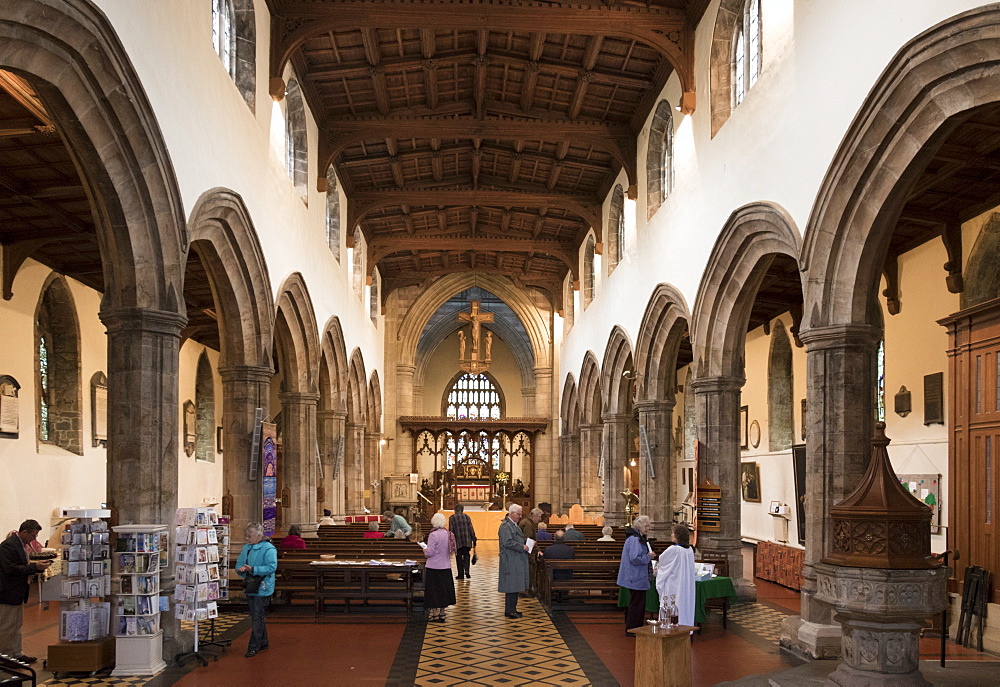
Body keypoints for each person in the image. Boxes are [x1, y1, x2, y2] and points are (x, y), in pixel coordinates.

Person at [0, 520, 52, 663]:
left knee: (17, 624)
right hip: (7, 593)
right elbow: (10, 569)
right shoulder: (7, 547)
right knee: (6, 626)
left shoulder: (21, 545)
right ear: (24, 532)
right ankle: (5, 657)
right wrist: (35, 568)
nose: (34, 539)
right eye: (33, 536)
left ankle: (16, 653)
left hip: (18, 592)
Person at [236, 522, 278, 658]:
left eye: (250, 536)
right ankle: (264, 642)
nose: (247, 538)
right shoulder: (246, 548)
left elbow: (272, 567)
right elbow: (239, 563)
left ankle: (253, 646)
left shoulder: (269, 549)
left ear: (259, 535)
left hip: (263, 586)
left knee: (257, 616)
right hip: (250, 585)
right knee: (256, 615)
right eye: (246, 536)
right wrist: (241, 569)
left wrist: (254, 569)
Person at [617, 515, 656, 636]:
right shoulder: (635, 539)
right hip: (635, 577)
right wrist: (649, 556)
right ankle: (633, 629)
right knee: (637, 605)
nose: (648, 528)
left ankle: (633, 627)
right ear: (639, 526)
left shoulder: (636, 538)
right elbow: (635, 558)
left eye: (649, 526)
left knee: (636, 603)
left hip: (636, 577)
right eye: (646, 526)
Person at [655, 524, 696, 627]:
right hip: (685, 584)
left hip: (673, 584)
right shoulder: (689, 550)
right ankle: (685, 627)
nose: (671, 535)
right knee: (684, 605)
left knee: (673, 605)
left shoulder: (674, 549)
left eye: (673, 533)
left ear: (678, 535)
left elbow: (662, 561)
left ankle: (670, 627)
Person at [422, 513, 457, 622]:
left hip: (433, 566)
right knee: (443, 591)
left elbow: (430, 553)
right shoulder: (449, 534)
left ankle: (435, 613)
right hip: (445, 566)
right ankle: (442, 613)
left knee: (433, 592)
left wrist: (424, 549)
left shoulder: (433, 535)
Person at [498, 504, 529, 619]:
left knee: (515, 584)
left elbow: (517, 538)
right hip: (510, 559)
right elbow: (508, 542)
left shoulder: (514, 525)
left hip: (515, 558)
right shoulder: (506, 526)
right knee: (511, 585)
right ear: (512, 513)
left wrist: (527, 541)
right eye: (518, 514)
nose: (520, 516)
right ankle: (510, 611)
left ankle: (513, 609)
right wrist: (522, 547)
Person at [449, 504, 477, 580]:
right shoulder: (467, 517)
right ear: (462, 510)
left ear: (455, 510)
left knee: (458, 557)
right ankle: (467, 571)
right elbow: (471, 528)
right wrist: (474, 538)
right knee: (467, 555)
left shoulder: (452, 518)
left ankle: (460, 574)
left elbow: (451, 531)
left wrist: (451, 541)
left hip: (458, 541)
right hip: (467, 540)